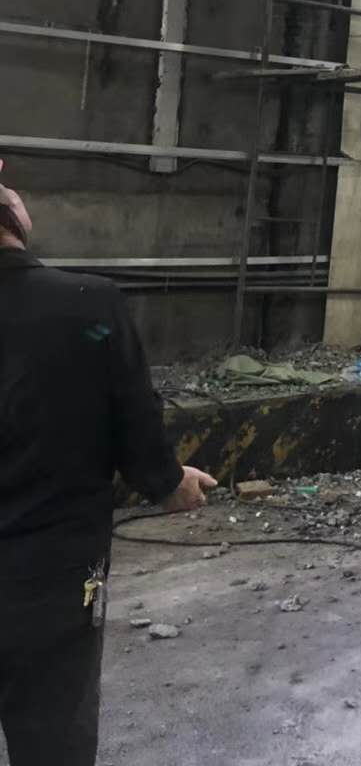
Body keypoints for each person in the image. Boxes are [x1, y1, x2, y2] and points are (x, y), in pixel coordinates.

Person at [0, 169, 216, 766]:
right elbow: (134, 419)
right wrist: (169, 484)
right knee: (54, 736)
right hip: (50, 576)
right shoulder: (87, 303)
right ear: (13, 217)